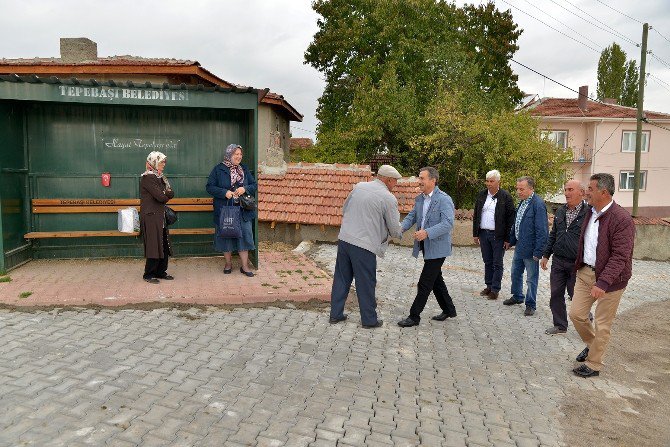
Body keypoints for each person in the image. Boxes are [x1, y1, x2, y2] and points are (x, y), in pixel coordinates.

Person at [569, 173, 635, 378]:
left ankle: (594, 364)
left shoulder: (622, 219)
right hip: (585, 272)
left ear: (603, 192)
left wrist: (603, 282)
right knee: (577, 314)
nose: (586, 192)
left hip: (612, 280)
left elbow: (620, 256)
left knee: (602, 323)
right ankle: (592, 344)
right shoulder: (590, 211)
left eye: (590, 189)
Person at [329, 165, 403, 329]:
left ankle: (335, 314)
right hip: (364, 245)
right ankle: (369, 320)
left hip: (345, 238)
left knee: (342, 277)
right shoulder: (388, 198)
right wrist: (401, 231)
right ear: (388, 179)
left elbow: (344, 209)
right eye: (395, 181)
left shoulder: (359, 187)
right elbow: (394, 228)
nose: (395, 184)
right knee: (366, 282)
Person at [397, 167, 457, 327]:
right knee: (436, 280)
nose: (419, 181)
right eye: (419, 178)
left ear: (433, 180)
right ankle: (449, 309)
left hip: (438, 248)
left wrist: (427, 233)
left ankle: (414, 316)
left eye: (422, 178)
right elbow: (412, 216)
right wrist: (401, 228)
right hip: (425, 246)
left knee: (425, 282)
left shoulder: (444, 199)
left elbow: (448, 223)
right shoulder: (420, 198)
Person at [540, 180, 587, 335]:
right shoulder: (561, 211)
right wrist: (546, 255)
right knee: (556, 294)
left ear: (582, 192)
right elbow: (553, 235)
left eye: (571, 189)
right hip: (559, 261)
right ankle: (560, 325)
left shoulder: (588, 213)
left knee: (576, 296)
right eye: (565, 189)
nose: (567, 193)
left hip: (577, 263)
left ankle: (586, 322)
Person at [206, 144, 257, 277]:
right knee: (226, 237)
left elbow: (254, 185)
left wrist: (244, 189)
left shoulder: (244, 169)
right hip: (225, 210)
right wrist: (224, 192)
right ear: (229, 155)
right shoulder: (218, 169)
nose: (239, 157)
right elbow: (209, 187)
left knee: (245, 235)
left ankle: (245, 266)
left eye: (240, 154)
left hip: (243, 210)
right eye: (236, 154)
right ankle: (228, 264)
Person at [503, 176, 548, 316]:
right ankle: (517, 296)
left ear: (531, 188)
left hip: (531, 249)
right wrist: (510, 240)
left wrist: (538, 251)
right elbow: (517, 224)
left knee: (531, 278)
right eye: (517, 188)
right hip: (520, 246)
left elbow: (542, 230)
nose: (518, 191)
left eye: (521, 189)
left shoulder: (538, 204)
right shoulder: (522, 202)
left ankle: (530, 304)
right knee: (515, 273)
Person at [472, 169, 515, 300]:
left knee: (497, 262)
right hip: (484, 233)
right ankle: (489, 285)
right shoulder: (481, 195)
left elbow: (510, 219)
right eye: (487, 181)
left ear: (498, 182)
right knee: (487, 261)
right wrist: (476, 233)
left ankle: (495, 289)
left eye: (492, 181)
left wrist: (508, 238)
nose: (489, 184)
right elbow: (476, 214)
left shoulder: (505, 197)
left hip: (498, 235)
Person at [140, 151, 174, 284]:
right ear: (154, 162)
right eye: (161, 162)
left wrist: (165, 194)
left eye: (164, 162)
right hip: (151, 216)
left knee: (164, 243)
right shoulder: (148, 177)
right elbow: (161, 196)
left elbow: (171, 192)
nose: (164, 164)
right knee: (154, 245)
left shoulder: (160, 177)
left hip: (160, 216)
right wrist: (165, 194)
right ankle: (148, 274)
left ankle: (161, 272)